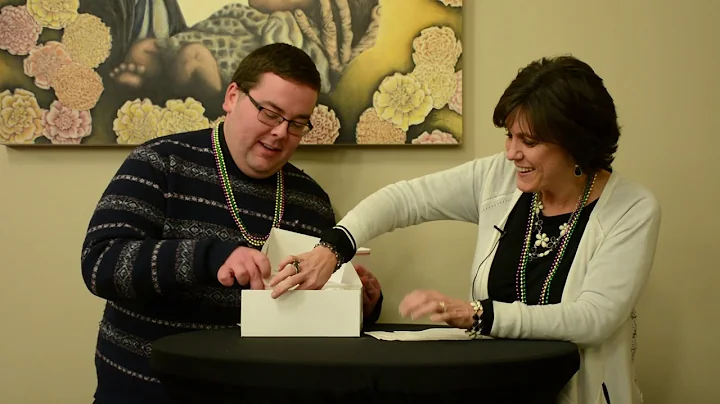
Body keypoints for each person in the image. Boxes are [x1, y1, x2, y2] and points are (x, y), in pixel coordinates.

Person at [269, 55, 661, 404]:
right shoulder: (498, 177)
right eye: (509, 135)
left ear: (576, 143)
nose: (511, 153)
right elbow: (404, 200)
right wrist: (332, 249)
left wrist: (478, 315)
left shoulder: (632, 208)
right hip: (497, 388)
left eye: (529, 141)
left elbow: (593, 319)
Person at [80, 43, 383, 404]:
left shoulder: (310, 200)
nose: (281, 133)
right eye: (270, 113)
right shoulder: (160, 163)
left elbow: (310, 312)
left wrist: (359, 304)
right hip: (148, 389)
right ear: (233, 96)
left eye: (298, 123)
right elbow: (101, 265)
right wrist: (209, 257)